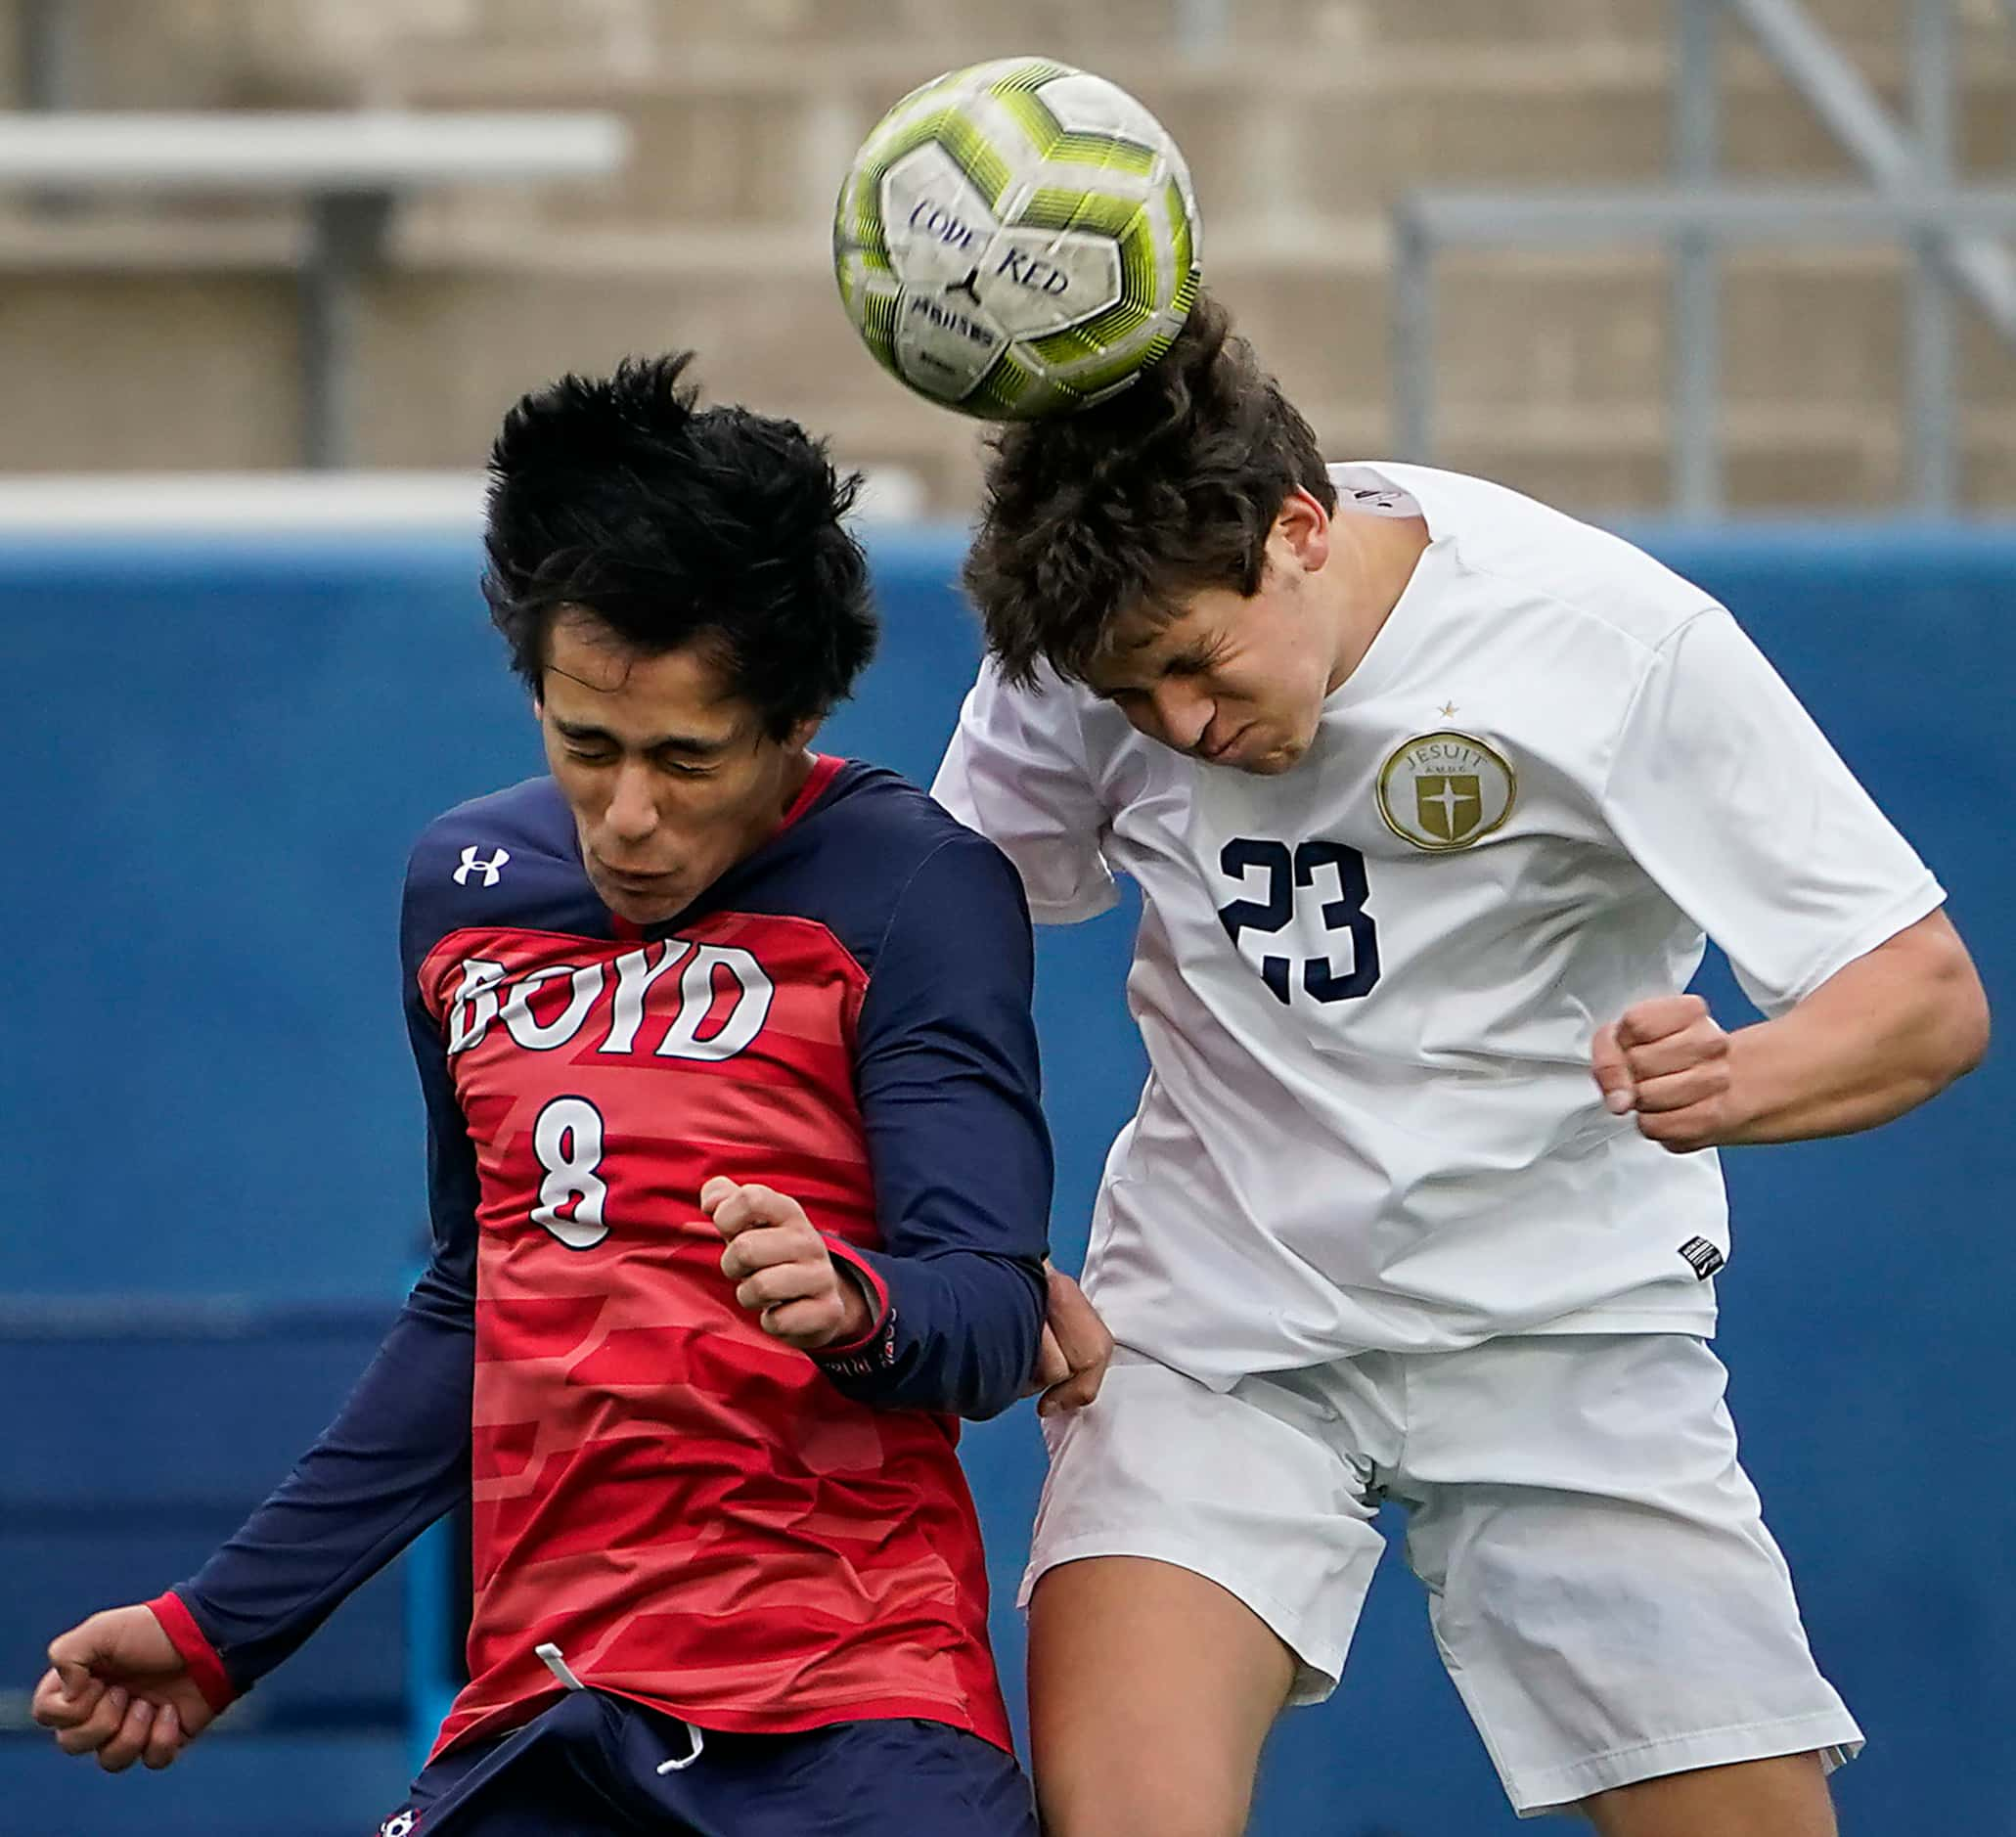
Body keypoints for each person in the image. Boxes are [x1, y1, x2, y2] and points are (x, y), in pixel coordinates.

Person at [931, 289, 1990, 1837]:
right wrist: (972, 1234)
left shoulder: (1609, 639)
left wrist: (1742, 1079)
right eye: (1130, 697)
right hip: (1221, 1333)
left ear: (1302, 529)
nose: (1176, 720)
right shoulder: (1085, 666)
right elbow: (934, 947)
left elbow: (1927, 994)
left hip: (1564, 1333)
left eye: (1198, 666)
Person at [30, 353, 1092, 1837]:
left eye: (685, 758)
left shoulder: (916, 886)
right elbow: (476, 1301)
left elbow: (989, 1309)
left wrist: (859, 1304)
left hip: (851, 1707)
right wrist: (224, 1627)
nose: (630, 815)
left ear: (792, 720)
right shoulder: (459, 895)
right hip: (549, 1703)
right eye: (585, 747)